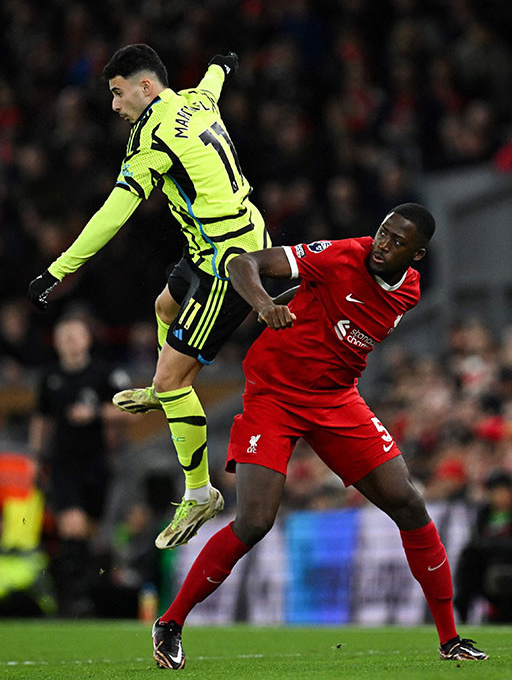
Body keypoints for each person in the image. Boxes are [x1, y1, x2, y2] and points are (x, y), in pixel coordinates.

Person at [151, 204, 488, 670]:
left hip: (335, 399)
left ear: (418, 254)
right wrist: (266, 304)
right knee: (254, 522)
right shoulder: (342, 254)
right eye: (382, 232)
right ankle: (169, 623)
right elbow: (242, 263)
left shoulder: (408, 289)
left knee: (408, 502)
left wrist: (302, 299)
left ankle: (450, 638)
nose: (382, 245)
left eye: (396, 242)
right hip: (274, 395)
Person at [28, 44, 270, 549]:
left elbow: (112, 216)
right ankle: (164, 393)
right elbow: (213, 83)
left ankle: (200, 491)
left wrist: (58, 270)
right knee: (164, 305)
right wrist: (223, 63)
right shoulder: (195, 102)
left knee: (175, 378)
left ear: (145, 87)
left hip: (229, 264)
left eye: (118, 94)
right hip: (224, 241)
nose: (114, 106)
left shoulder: (153, 139)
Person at [30, 315, 129, 614]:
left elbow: (130, 410)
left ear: (87, 340)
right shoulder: (49, 377)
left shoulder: (104, 374)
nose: (71, 342)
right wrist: (35, 458)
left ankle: (86, 590)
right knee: (70, 525)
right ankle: (75, 599)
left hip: (97, 462)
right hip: (64, 463)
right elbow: (41, 419)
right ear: (57, 343)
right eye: (65, 337)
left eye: (76, 336)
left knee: (90, 530)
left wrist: (96, 414)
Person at [454, 469, 512, 623]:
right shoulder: (483, 514)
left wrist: (490, 545)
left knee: (498, 573)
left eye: (502, 491)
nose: (498, 497)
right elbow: (475, 543)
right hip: (487, 567)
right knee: (468, 561)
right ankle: (462, 616)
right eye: (494, 492)